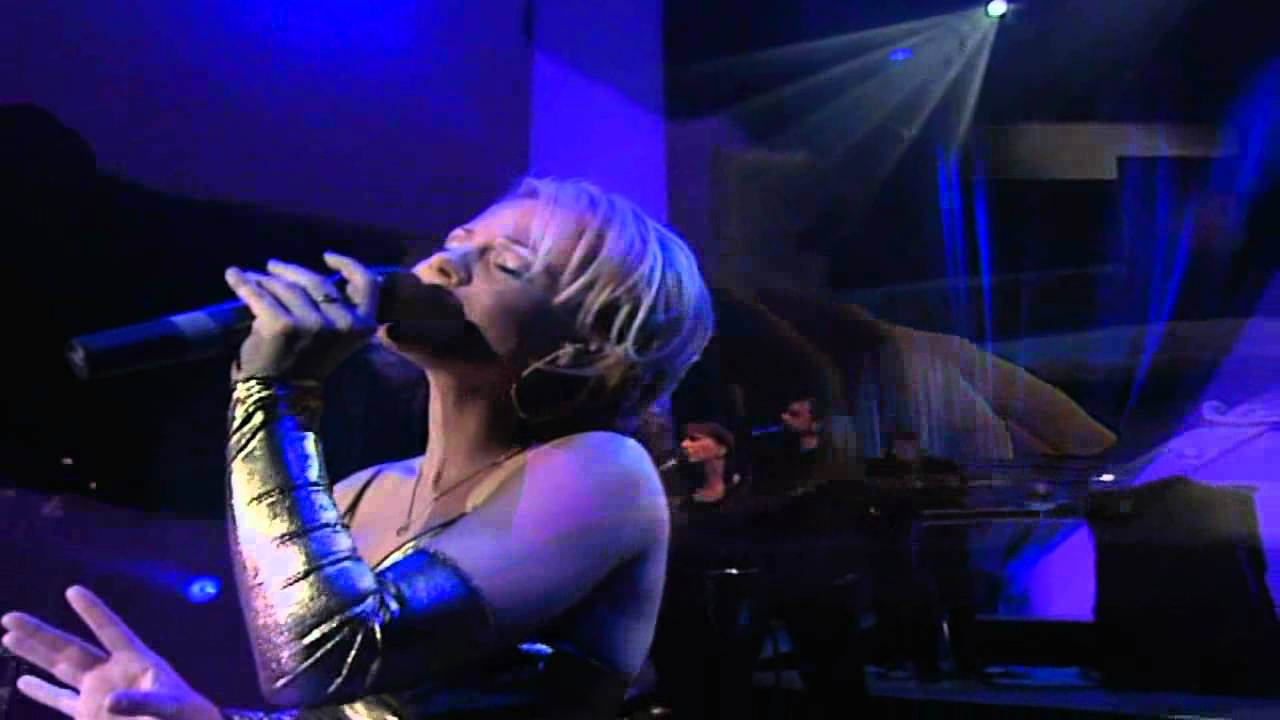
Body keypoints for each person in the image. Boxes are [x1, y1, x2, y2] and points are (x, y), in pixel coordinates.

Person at [1, 177, 715, 719]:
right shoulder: (359, 493)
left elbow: (322, 658)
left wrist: (274, 394)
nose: (448, 263)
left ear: (586, 350)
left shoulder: (605, 473)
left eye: (508, 265)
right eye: (459, 239)